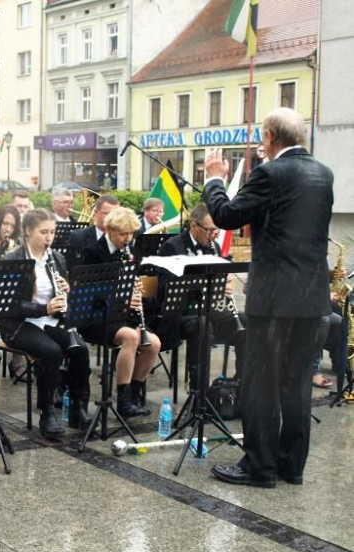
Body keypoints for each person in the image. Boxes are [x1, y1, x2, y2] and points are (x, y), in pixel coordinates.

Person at [204, 107, 334, 488]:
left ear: (271, 138)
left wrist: (214, 180)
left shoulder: (271, 172)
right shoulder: (323, 173)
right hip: (312, 297)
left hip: (274, 297)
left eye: (263, 137)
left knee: (260, 383)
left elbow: (226, 215)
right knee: (296, 384)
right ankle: (290, 466)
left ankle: (258, 467)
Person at [0, 209, 92, 438]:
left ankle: (78, 407)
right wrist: (44, 308)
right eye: (43, 232)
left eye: (52, 232)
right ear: (28, 231)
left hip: (50, 320)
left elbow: (61, 296)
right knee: (51, 352)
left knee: (80, 350)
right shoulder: (14, 260)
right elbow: (10, 305)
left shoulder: (56, 258)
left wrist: (67, 292)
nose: (49, 238)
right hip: (19, 324)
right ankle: (46, 411)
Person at [78, 207, 161, 417]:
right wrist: (122, 299)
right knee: (131, 338)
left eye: (131, 234)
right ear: (110, 230)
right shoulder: (92, 253)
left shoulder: (130, 253)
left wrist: (137, 291)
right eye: (123, 234)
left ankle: (134, 393)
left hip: (123, 315)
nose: (128, 238)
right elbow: (90, 295)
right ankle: (122, 399)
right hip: (97, 317)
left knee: (154, 344)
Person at [152, 204, 246, 385]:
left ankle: (240, 385)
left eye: (216, 231)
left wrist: (222, 287)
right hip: (180, 314)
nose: (214, 235)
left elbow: (218, 282)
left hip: (209, 311)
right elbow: (165, 287)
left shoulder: (214, 247)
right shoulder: (172, 247)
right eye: (210, 230)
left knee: (247, 324)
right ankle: (199, 393)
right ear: (194, 226)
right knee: (202, 325)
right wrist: (202, 285)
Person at [68, 195, 120, 262]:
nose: (112, 218)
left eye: (116, 214)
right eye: (107, 214)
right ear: (95, 213)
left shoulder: (124, 237)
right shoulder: (78, 237)